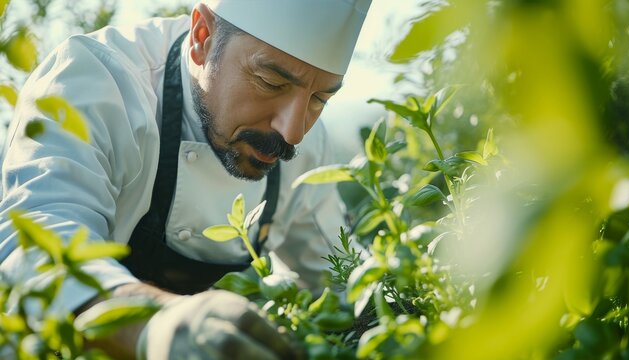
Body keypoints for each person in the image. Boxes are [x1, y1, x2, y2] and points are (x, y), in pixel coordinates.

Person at [0, 0, 371, 358]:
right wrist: (158, 324)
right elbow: (34, 247)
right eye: (271, 82)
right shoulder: (96, 80)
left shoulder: (307, 147)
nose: (293, 132)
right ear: (202, 36)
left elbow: (339, 279)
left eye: (320, 98)